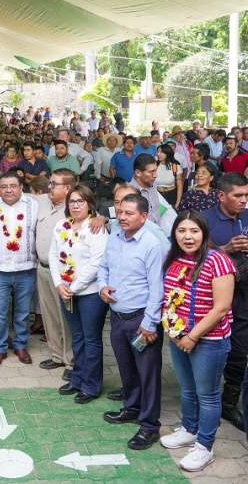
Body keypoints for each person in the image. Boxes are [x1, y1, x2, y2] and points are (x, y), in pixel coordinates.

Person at [159, 211, 236, 471]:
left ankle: (205, 446)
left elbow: (221, 308)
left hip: (208, 341)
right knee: (187, 389)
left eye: (194, 231)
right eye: (182, 231)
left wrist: (192, 336)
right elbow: (169, 299)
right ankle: (189, 430)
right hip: (179, 338)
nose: (188, 237)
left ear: (204, 233)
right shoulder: (175, 258)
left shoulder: (218, 260)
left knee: (208, 395)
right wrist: (175, 333)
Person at [98, 194, 165, 450]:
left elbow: (157, 288)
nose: (123, 217)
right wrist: (103, 286)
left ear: (144, 216)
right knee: (127, 368)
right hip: (117, 317)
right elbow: (103, 267)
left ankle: (149, 426)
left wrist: (150, 323)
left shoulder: (151, 244)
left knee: (148, 375)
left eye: (129, 213)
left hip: (141, 321)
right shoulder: (115, 237)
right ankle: (132, 408)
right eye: (121, 212)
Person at [49, 185, 108, 403]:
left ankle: (91, 386)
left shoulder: (96, 228)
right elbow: (53, 255)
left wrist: (72, 288)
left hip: (89, 293)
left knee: (91, 340)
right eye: (72, 201)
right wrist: (59, 284)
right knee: (77, 337)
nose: (75, 205)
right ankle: (78, 379)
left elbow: (96, 264)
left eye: (80, 201)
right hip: (65, 291)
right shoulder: (61, 225)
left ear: (90, 204)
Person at [202, 172, 248, 432]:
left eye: (246, 195)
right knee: (209, 351)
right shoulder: (204, 219)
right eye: (238, 195)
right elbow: (191, 255)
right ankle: (204, 401)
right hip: (211, 299)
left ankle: (229, 403)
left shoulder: (247, 216)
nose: (243, 200)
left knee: (240, 351)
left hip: (243, 297)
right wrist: (225, 249)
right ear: (221, 195)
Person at [0, 172, 39, 367]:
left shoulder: (34, 205)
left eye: (13, 186)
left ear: (21, 188)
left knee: (23, 312)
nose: (8, 190)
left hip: (26, 269)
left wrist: (100, 217)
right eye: (4, 186)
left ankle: (20, 345)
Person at [35, 169, 79, 374]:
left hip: (64, 273)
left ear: (67, 188)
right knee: (49, 315)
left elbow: (95, 218)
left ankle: (70, 360)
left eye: (54, 184)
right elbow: (14, 196)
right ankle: (56, 355)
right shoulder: (41, 201)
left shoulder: (76, 207)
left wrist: (102, 219)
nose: (49, 187)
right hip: (43, 268)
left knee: (66, 319)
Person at [156, 144, 183, 209]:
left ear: (167, 153)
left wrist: (178, 202)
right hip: (157, 196)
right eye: (158, 152)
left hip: (171, 196)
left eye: (161, 152)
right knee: (159, 214)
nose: (158, 154)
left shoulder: (175, 166)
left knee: (171, 214)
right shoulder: (154, 165)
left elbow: (180, 186)